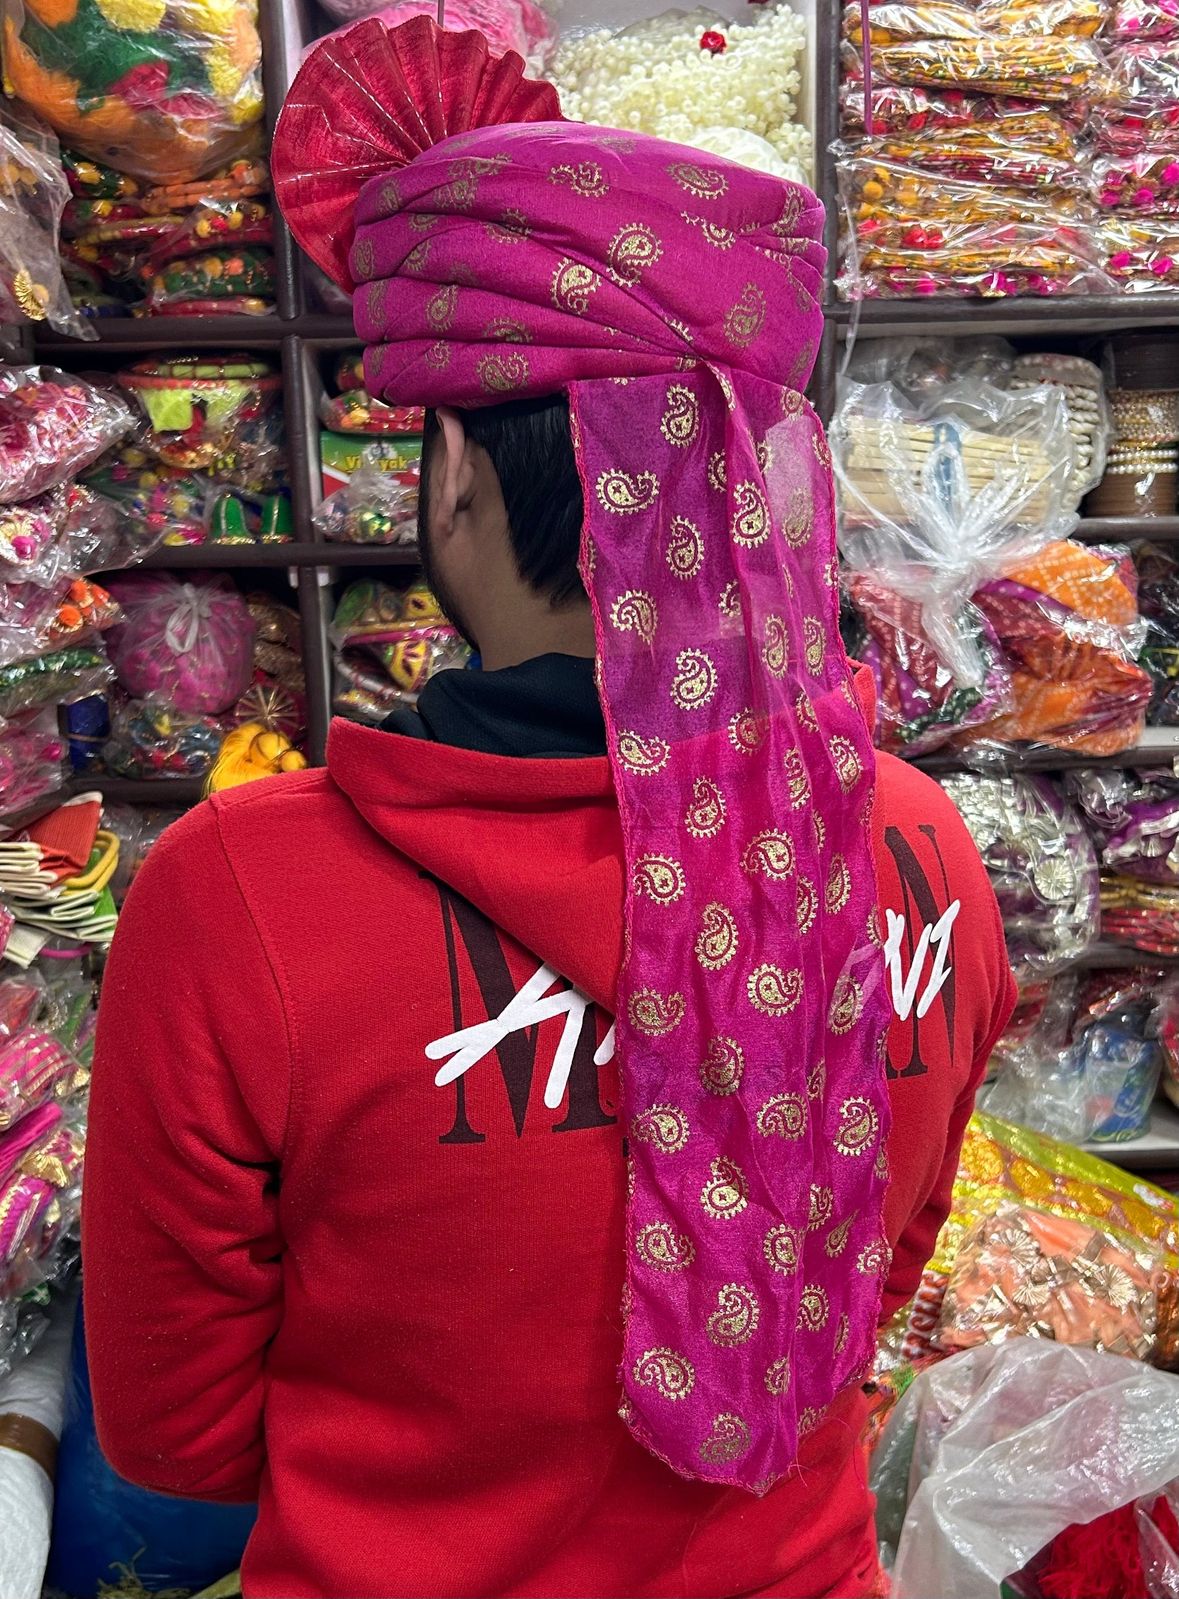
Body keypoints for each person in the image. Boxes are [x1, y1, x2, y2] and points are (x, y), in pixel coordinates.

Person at [83, 21, 1015, 1599]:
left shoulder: (239, 896)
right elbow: (878, 1271)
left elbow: (179, 1434)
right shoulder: (919, 845)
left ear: (452, 468)